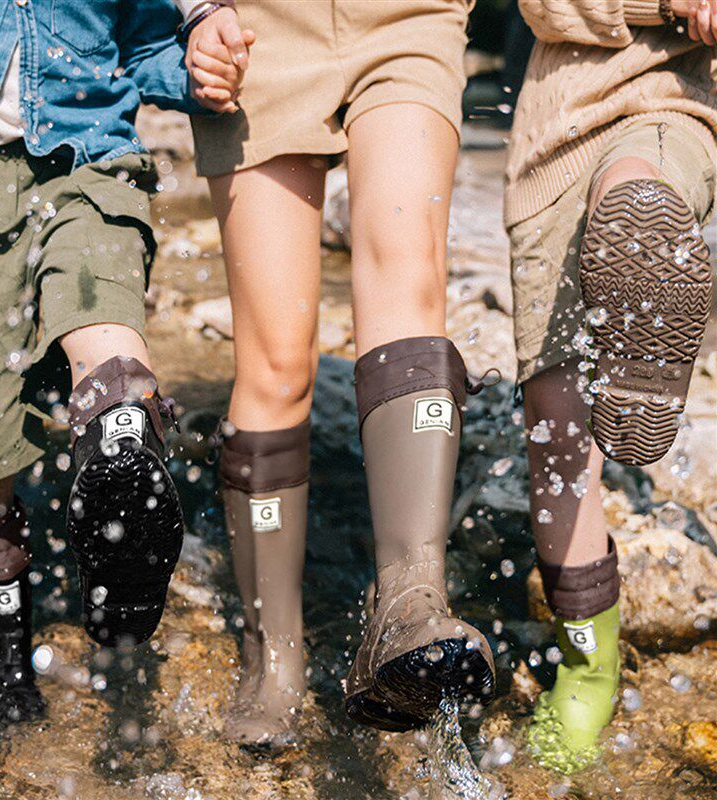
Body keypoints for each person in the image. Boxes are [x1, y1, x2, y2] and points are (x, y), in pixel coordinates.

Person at [0, 0, 246, 722]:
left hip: (91, 163)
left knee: (100, 314)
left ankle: (124, 489)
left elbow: (146, 43)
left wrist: (201, 67)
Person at [184, 0, 496, 750]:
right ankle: (274, 660)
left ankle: (411, 597)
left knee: (408, 277)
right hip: (257, 30)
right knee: (276, 359)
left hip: (407, 16)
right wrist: (195, 12)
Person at [505, 0, 716, 773]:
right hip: (557, 131)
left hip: (674, 107)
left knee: (637, 191)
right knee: (557, 432)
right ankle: (588, 659)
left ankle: (647, 256)